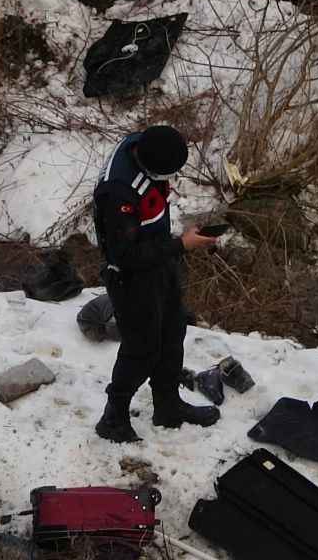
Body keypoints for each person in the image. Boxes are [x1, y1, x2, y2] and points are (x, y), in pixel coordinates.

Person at [91, 125, 221, 443]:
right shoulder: (118, 190)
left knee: (173, 332)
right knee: (142, 349)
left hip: (159, 258)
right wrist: (181, 246)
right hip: (131, 275)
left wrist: (180, 243)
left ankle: (168, 406)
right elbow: (125, 255)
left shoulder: (144, 143)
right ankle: (114, 416)